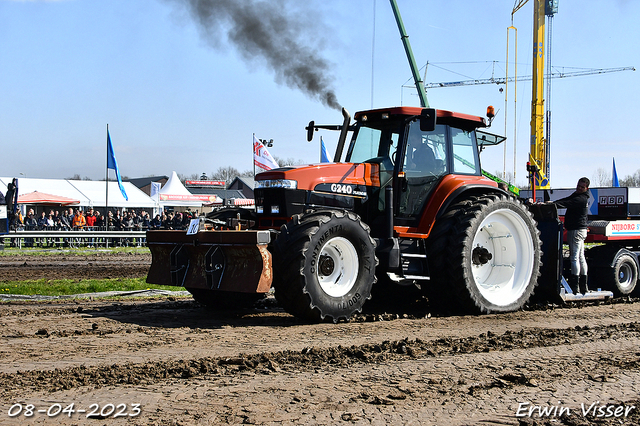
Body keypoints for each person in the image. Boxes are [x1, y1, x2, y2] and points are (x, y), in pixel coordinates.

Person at [550, 177, 590, 294]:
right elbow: (567, 199)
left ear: (586, 188)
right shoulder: (579, 196)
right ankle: (584, 285)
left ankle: (575, 285)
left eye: (582, 187)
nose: (579, 188)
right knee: (581, 257)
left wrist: (553, 205)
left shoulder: (581, 199)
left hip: (576, 230)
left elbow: (567, 203)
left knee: (574, 258)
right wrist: (553, 203)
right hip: (581, 230)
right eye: (578, 185)